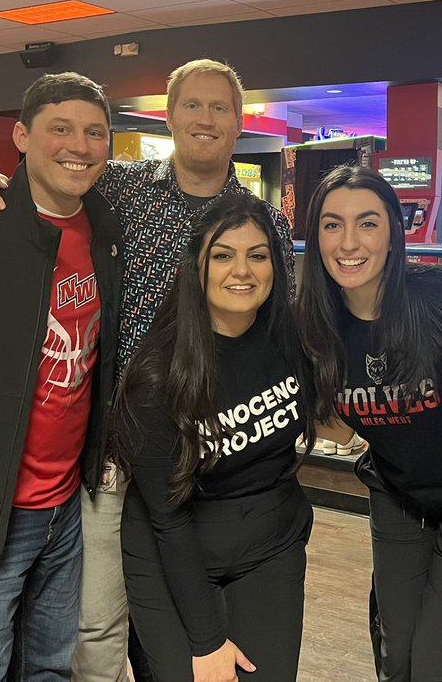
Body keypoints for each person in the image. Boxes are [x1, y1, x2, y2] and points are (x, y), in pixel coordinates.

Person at [0, 58, 292, 681]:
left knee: (186, 610)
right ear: (170, 114)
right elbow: (48, 188)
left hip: (209, 451)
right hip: (110, 446)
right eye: (192, 105)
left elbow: (277, 333)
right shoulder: (120, 189)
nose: (204, 119)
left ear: (240, 124)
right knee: (95, 624)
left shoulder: (263, 225)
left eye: (220, 108)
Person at [0, 73, 122, 680]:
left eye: (94, 133)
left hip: (65, 508)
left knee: (49, 669)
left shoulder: (104, 225)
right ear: (21, 137)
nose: (78, 146)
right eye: (60, 128)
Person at [295, 164, 442, 682]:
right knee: (398, 660)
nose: (349, 241)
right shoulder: (314, 322)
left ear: (394, 232)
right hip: (398, 496)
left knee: (438, 662)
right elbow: (334, 426)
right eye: (332, 224)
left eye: (368, 223)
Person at [113, 192, 315, 682]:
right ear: (196, 268)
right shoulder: (157, 375)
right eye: (223, 255)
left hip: (268, 544)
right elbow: (168, 521)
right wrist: (205, 643)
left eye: (258, 255)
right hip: (173, 551)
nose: (241, 271)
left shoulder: (290, 340)